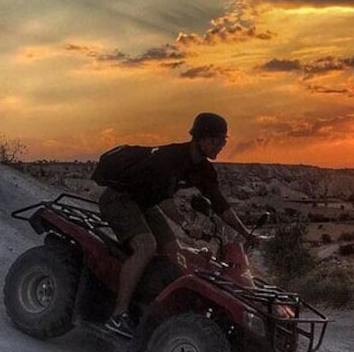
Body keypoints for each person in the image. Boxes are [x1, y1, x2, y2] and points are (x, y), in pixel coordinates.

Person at [94, 112, 257, 337]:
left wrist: (246, 233)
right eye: (218, 141)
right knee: (146, 246)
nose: (221, 146)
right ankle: (118, 316)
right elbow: (164, 198)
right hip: (120, 198)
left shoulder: (203, 170)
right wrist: (185, 224)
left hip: (145, 203)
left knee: (174, 252)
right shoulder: (170, 158)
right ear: (202, 138)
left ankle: (146, 303)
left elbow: (221, 205)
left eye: (224, 141)